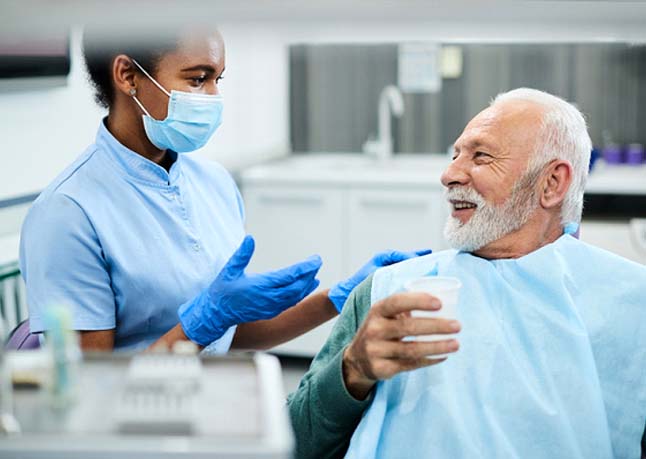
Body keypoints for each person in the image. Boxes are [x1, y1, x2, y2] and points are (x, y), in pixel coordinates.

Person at [18, 27, 430, 353]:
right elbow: (88, 397)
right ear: (128, 75)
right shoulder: (68, 213)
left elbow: (234, 333)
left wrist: (343, 297)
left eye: (217, 79)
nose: (213, 97)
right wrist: (203, 321)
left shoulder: (213, 184)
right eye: (198, 79)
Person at [287, 88, 646, 459]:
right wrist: (351, 370)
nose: (449, 174)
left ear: (552, 183)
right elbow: (294, 443)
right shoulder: (389, 297)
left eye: (481, 156)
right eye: (455, 154)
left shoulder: (633, 306)